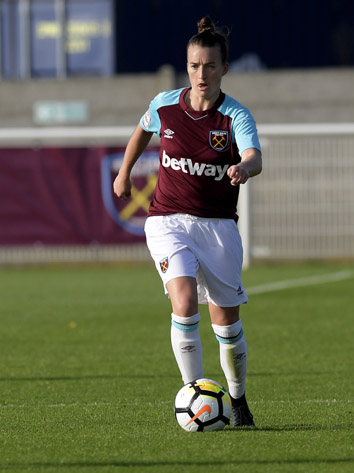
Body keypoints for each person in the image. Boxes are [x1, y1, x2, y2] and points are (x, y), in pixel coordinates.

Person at [113, 16, 262, 428]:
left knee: (226, 323)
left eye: (210, 66)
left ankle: (238, 399)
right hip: (167, 220)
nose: (201, 73)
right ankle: (194, 394)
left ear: (224, 69)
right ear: (187, 67)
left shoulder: (234, 116)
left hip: (217, 227)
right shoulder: (165, 104)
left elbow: (254, 155)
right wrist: (124, 173)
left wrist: (245, 168)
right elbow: (142, 131)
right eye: (194, 65)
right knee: (183, 302)